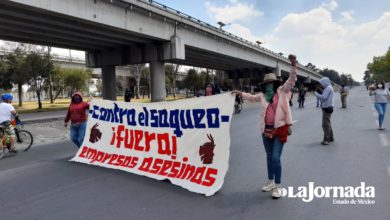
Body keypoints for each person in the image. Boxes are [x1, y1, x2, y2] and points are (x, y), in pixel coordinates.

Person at [232, 54, 297, 199]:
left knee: (275, 157)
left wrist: (293, 65)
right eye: (266, 84)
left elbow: (292, 80)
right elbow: (251, 97)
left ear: (275, 83)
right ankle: (270, 181)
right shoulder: (263, 96)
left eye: (271, 83)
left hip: (280, 129)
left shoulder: (283, 92)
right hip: (266, 130)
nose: (269, 86)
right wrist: (239, 93)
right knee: (268, 157)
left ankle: (278, 187)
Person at [314, 77, 334, 145]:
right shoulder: (329, 87)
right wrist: (321, 91)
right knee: (328, 123)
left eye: (321, 83)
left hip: (327, 107)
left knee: (325, 125)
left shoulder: (328, 88)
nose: (321, 85)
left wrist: (316, 94)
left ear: (324, 82)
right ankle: (331, 137)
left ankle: (327, 139)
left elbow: (324, 97)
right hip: (328, 107)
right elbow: (325, 96)